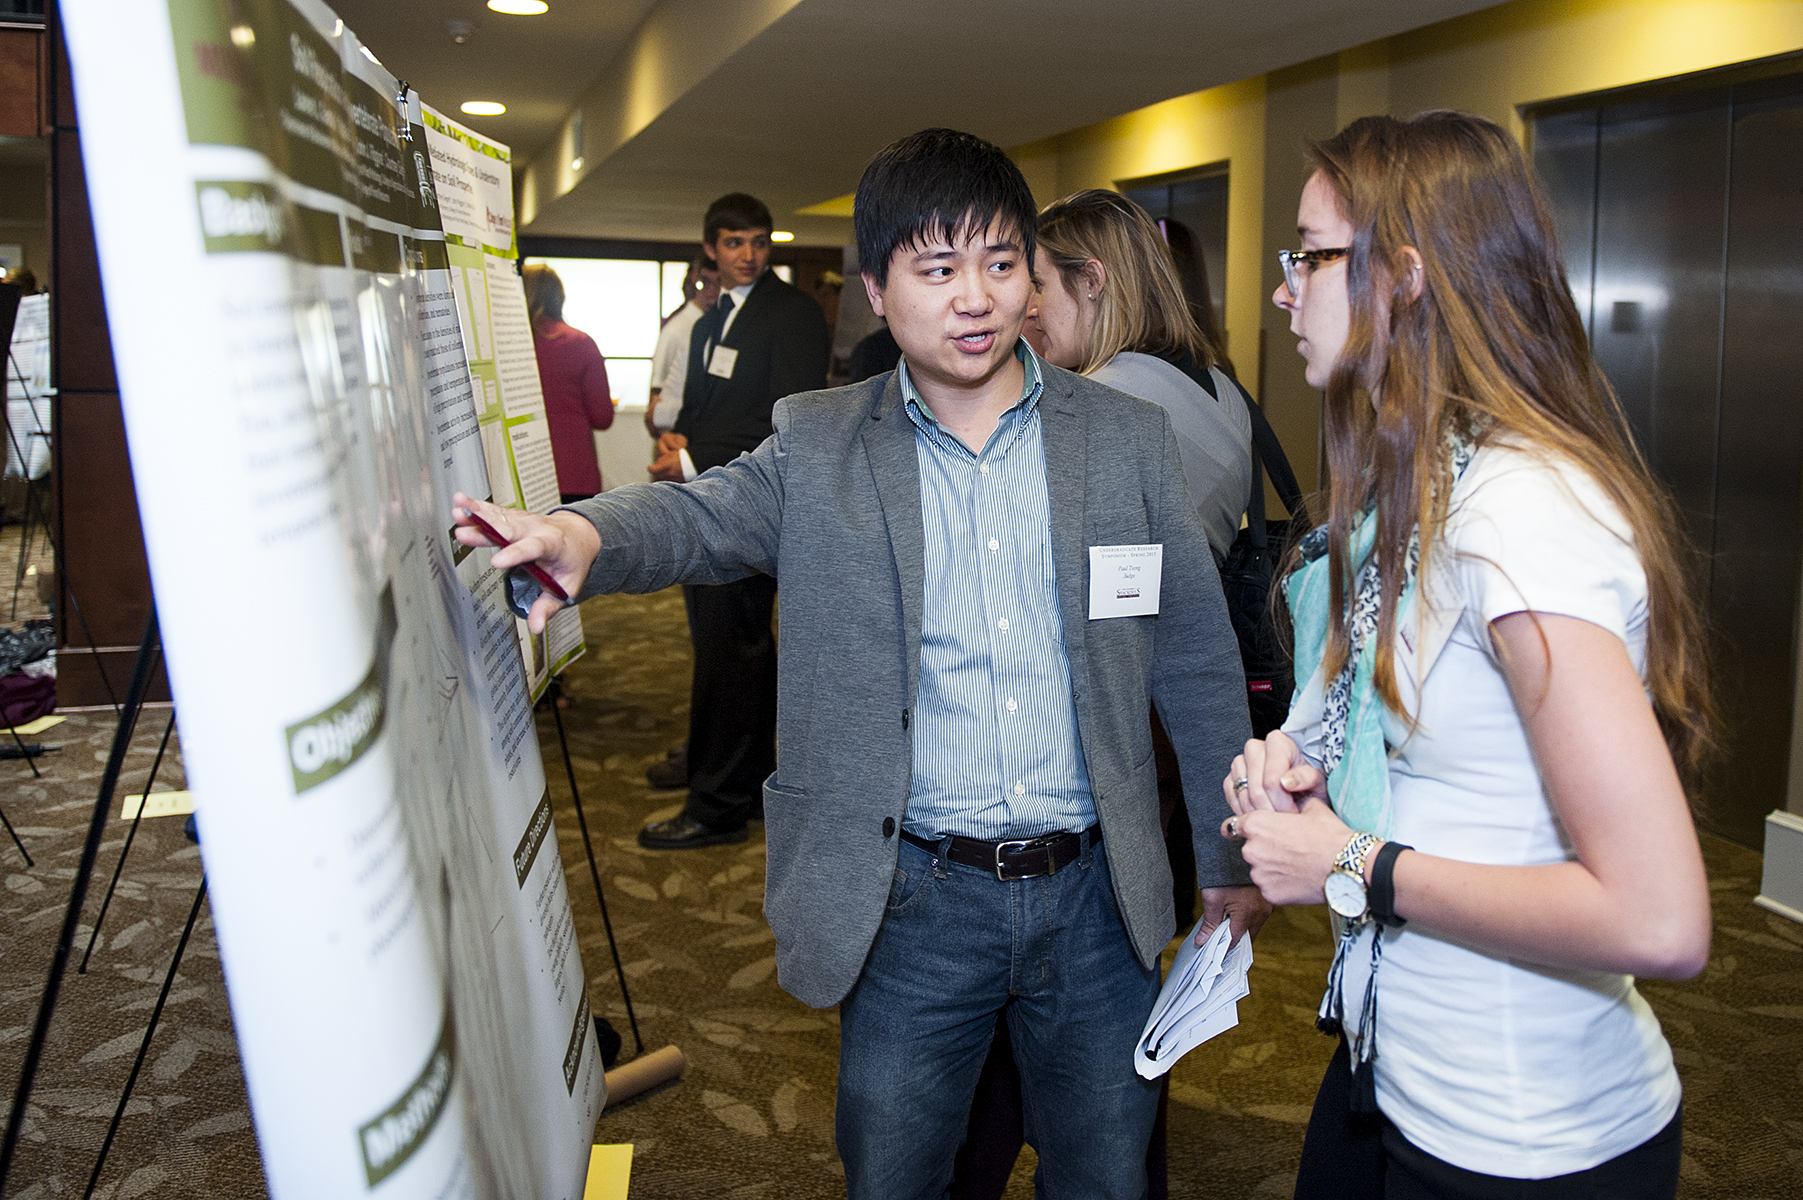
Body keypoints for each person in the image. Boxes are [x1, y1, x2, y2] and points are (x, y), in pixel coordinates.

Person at [451, 127, 1267, 1200]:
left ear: (1031, 276)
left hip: (1096, 900)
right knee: (895, 1171)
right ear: (878, 289)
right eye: (937, 269)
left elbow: (1199, 661)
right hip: (914, 899)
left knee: (1109, 1173)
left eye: (1000, 263)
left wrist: (1226, 859)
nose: (975, 297)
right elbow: (699, 516)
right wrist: (582, 536)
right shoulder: (822, 441)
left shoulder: (1121, 440)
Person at [1224, 111, 1713, 1200]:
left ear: (1404, 276)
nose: (1283, 287)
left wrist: (1351, 865)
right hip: (1389, 1069)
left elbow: (1661, 917)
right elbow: (1400, 749)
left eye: (1308, 253)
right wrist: (1292, 772)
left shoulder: (1523, 512)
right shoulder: (1416, 491)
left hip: (1526, 1138)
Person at [641, 192, 830, 848]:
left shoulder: (793, 313)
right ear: (710, 250)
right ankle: (737, 778)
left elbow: (790, 415)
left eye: (757, 241)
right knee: (724, 649)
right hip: (704, 497)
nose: (747, 255)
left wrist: (690, 455)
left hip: (752, 503)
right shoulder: (709, 319)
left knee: (732, 652)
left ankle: (715, 808)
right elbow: (701, 406)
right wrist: (675, 446)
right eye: (733, 242)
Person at [1030, 189, 1251, 563]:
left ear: (1090, 280)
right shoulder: (1222, 385)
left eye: (1038, 285)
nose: (1031, 309)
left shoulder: (1091, 405)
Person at [522, 263, 614, 503]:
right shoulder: (581, 343)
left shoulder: (507, 344)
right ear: (560, 297)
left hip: (523, 473)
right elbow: (602, 417)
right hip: (576, 475)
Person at [645, 256, 720, 438]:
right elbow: (656, 396)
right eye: (705, 283)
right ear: (695, 280)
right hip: (677, 434)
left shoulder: (723, 325)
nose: (712, 292)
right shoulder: (677, 329)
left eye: (719, 284)